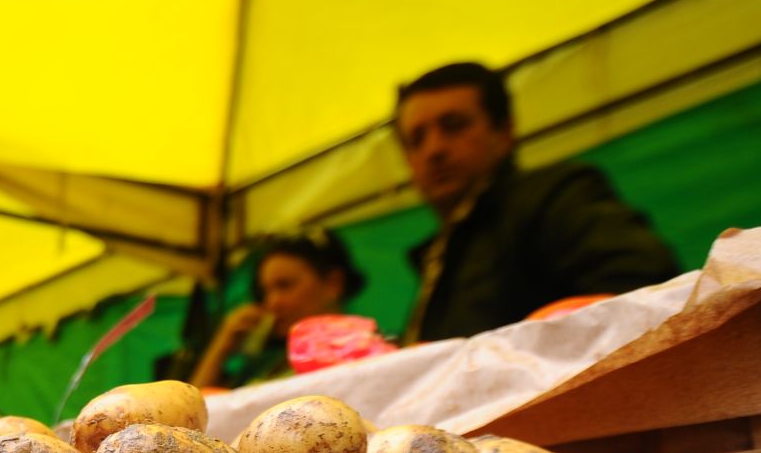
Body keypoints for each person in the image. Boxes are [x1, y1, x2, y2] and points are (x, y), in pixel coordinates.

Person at [395, 62, 679, 344]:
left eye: (453, 126)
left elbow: (640, 293)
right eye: (416, 139)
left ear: (504, 132)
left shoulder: (555, 195)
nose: (434, 149)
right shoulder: (439, 255)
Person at [192, 231, 367, 389]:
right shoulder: (265, 366)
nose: (272, 302)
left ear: (333, 284)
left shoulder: (367, 357)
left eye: (285, 285)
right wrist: (221, 346)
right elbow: (190, 410)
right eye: (265, 292)